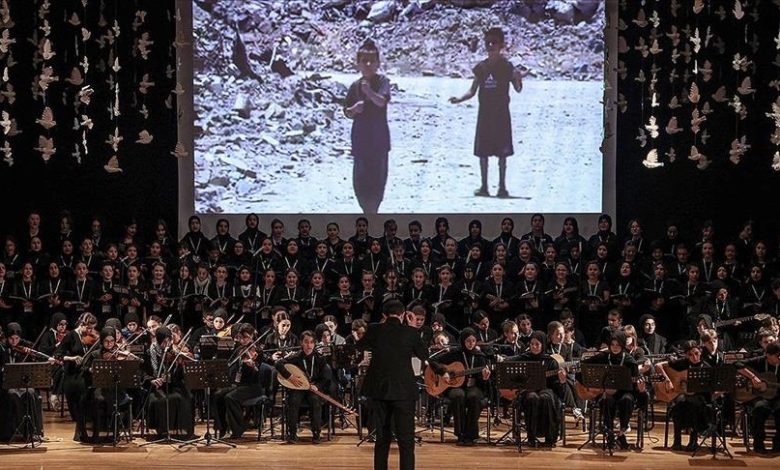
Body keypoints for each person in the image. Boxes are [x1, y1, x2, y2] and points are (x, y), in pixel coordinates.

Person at [450, 27, 523, 198]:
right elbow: (472, 90)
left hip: (502, 115)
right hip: (485, 115)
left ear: (501, 45)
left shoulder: (507, 67)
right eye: (488, 42)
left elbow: (518, 89)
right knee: (483, 152)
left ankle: (502, 187)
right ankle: (484, 186)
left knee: (502, 153)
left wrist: (518, 78)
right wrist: (459, 99)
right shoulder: (481, 68)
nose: (491, 46)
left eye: (494, 42)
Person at [356, 299, 427, 470]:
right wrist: (413, 328)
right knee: (406, 440)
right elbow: (423, 354)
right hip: (404, 391)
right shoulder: (410, 331)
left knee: (382, 439)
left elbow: (360, 346)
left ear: (384, 315)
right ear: (403, 315)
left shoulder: (374, 329)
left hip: (380, 390)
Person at [343, 38, 391, 214]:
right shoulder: (354, 86)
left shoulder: (383, 82)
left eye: (372, 61)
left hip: (379, 141)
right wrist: (353, 110)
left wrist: (369, 92)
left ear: (378, 63)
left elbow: (382, 102)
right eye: (364, 61)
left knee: (377, 182)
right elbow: (346, 111)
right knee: (360, 182)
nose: (368, 64)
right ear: (358, 64)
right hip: (361, 142)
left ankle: (373, 212)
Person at [274, 330, 333, 444]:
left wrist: (317, 386)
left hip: (313, 389)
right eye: (306, 342)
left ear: (314, 343)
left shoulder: (320, 358)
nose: (309, 345)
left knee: (315, 400)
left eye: (311, 342)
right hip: (298, 388)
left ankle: (316, 433)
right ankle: (292, 434)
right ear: (301, 342)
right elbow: (278, 364)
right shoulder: (295, 357)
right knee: (293, 399)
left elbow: (326, 378)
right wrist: (290, 376)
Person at [735, 341, 780, 453]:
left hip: (777, 396)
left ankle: (778, 444)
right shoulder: (760, 361)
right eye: (777, 356)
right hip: (761, 397)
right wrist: (753, 377)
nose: (779, 358)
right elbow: (737, 364)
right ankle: (758, 444)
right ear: (768, 355)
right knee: (760, 408)